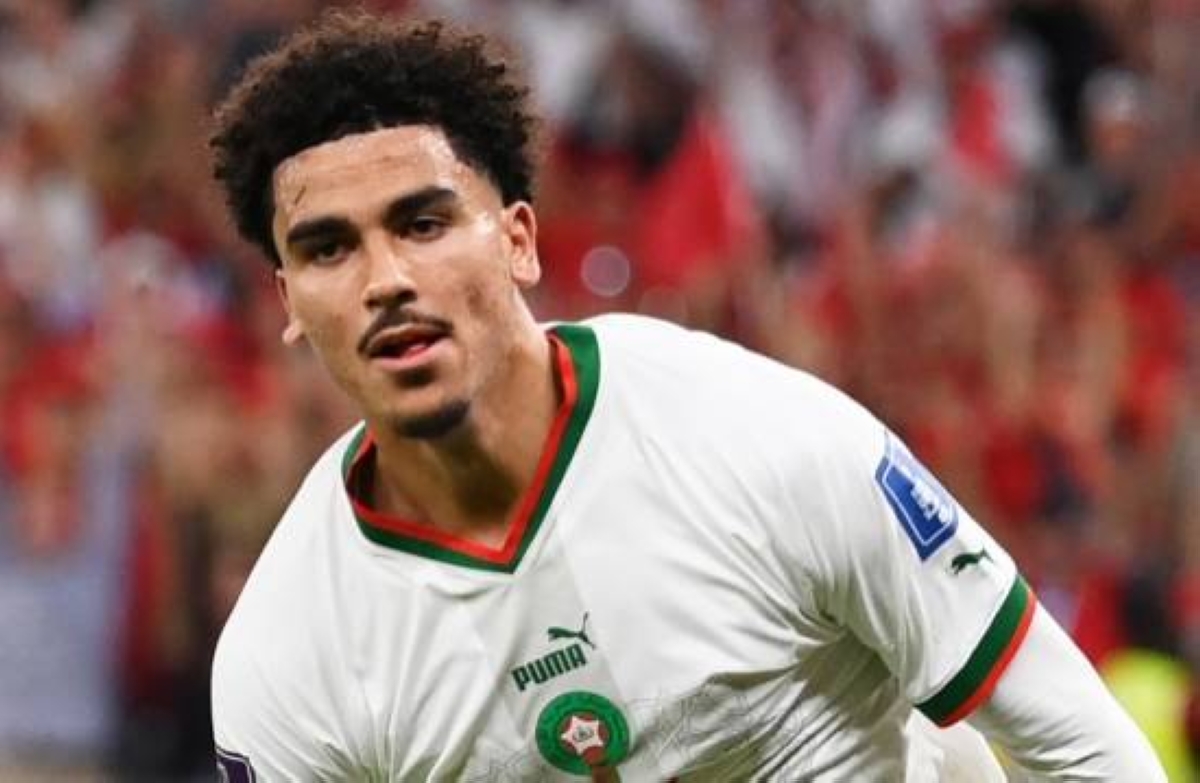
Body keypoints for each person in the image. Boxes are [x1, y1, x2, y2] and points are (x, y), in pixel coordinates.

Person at [208, 10, 1164, 781]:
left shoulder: (761, 440)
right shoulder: (287, 655)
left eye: (422, 224)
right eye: (329, 248)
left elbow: (1086, 750)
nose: (385, 280)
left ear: (520, 243)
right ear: (288, 302)